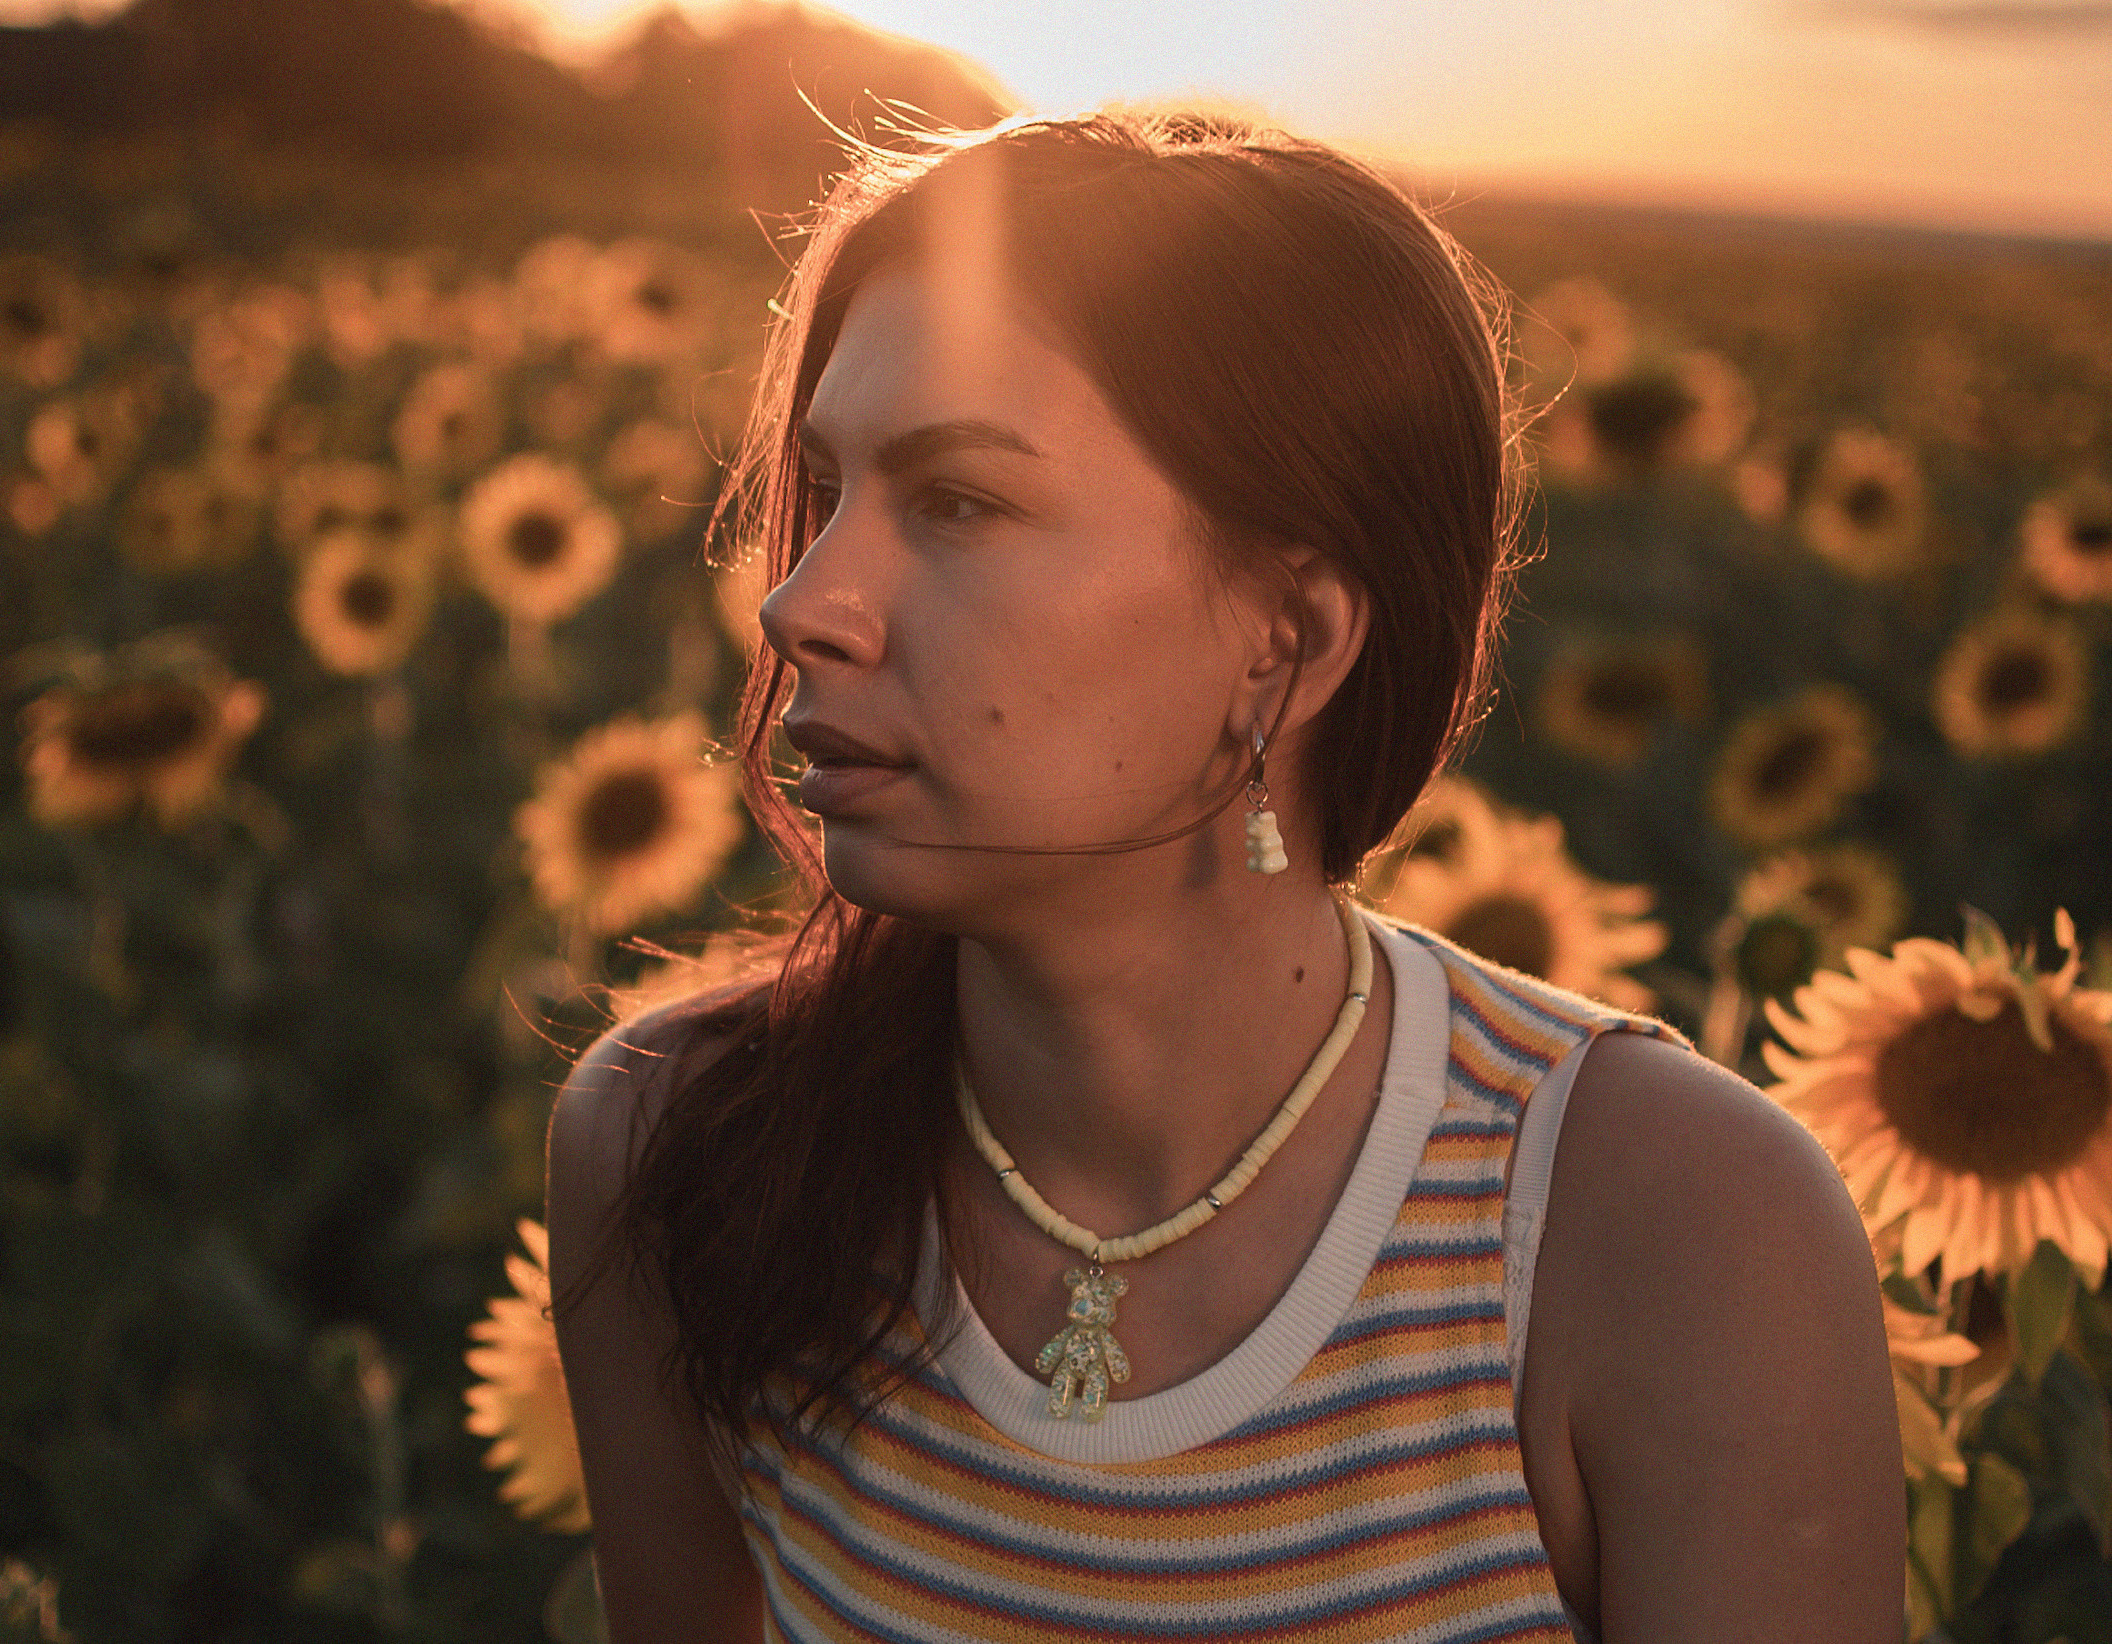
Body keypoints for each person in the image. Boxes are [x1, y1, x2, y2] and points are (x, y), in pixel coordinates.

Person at [547, 104, 1903, 1643]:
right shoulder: (683, 1149)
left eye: (962, 502)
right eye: (828, 487)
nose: (801, 600)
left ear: (1290, 641)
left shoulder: (1663, 1234)